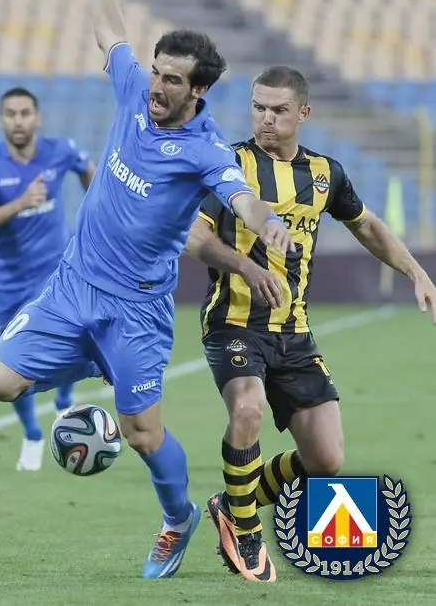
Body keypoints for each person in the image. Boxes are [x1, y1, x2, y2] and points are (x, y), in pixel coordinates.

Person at [0, 0, 295, 580]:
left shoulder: (204, 150)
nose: (156, 86)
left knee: (143, 434)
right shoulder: (132, 90)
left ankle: (178, 517)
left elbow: (240, 195)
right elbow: (109, 31)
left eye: (172, 80)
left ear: (198, 90)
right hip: (74, 285)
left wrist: (265, 222)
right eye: (156, 72)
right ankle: (95, 364)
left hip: (135, 311)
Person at [185, 65, 436, 582]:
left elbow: (366, 225)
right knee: (247, 407)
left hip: (294, 333)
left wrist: (416, 271)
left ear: (303, 113)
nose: (266, 119)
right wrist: (247, 267)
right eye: (258, 107)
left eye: (278, 110)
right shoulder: (230, 165)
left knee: (325, 461)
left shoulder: (325, 173)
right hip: (234, 324)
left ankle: (233, 500)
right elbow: (195, 236)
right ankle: (247, 536)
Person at [0, 86, 96, 471]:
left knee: (69, 340)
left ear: (37, 118)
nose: (18, 121)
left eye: (25, 113)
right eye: (10, 114)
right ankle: (33, 433)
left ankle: (64, 402)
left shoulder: (60, 150)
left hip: (56, 276)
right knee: (8, 363)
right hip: (8, 283)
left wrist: (96, 212)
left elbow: (90, 171)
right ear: (1, 120)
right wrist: (20, 203)